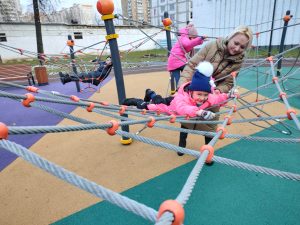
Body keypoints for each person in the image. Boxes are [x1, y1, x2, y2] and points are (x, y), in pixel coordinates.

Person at [123, 62, 235, 157]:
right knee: (150, 106)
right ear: (191, 91)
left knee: (160, 100)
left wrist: (229, 95)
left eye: (205, 95)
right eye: (199, 94)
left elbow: (217, 98)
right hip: (172, 107)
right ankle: (137, 99)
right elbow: (182, 108)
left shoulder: (207, 97)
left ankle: (151, 93)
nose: (202, 98)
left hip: (178, 102)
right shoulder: (183, 98)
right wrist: (198, 111)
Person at [177, 25, 253, 149]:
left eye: (242, 47)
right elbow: (192, 65)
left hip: (212, 94)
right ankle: (182, 143)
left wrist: (219, 90)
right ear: (231, 37)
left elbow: (229, 82)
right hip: (195, 88)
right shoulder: (212, 46)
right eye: (236, 43)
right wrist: (182, 87)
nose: (237, 48)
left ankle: (208, 149)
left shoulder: (238, 61)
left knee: (210, 123)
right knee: (187, 117)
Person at [168, 23, 205, 89]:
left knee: (180, 80)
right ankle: (185, 89)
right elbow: (188, 44)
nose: (194, 39)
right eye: (194, 38)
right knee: (189, 71)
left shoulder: (184, 38)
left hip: (175, 61)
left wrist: (201, 40)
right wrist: (200, 39)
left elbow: (192, 43)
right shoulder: (184, 38)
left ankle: (181, 90)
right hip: (177, 60)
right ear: (190, 35)